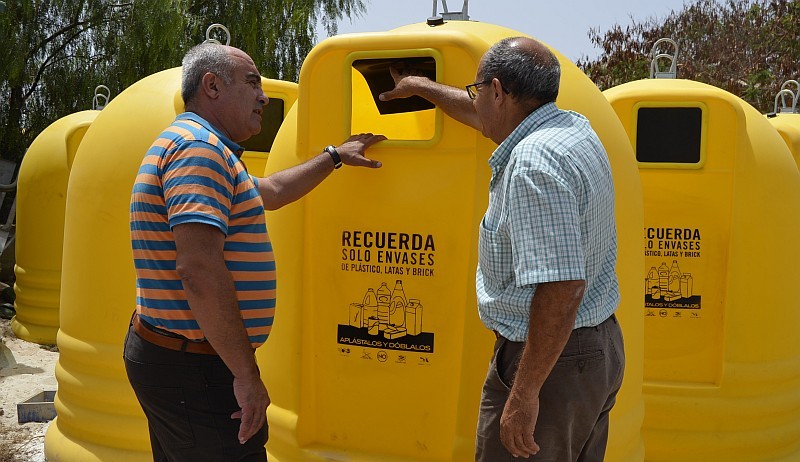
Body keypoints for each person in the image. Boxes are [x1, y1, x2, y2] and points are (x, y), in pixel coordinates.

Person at [124, 42, 385, 462]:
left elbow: (273, 191)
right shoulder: (199, 151)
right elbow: (199, 270)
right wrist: (246, 377)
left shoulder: (210, 149)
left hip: (181, 358)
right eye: (252, 83)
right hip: (195, 367)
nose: (263, 96)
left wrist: (334, 156)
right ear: (211, 85)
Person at [379, 37, 624, 461]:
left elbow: (562, 286)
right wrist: (421, 86)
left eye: (478, 91)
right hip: (596, 350)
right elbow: (483, 116)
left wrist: (525, 394)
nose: (474, 102)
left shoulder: (532, 164)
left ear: (498, 91)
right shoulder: (572, 128)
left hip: (552, 364)